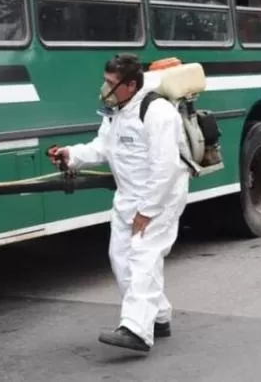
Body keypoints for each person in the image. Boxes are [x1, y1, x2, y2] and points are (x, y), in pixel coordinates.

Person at [49, 53, 189, 353]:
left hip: (160, 197)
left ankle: (136, 330)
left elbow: (166, 168)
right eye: (105, 80)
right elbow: (104, 147)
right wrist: (71, 155)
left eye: (111, 83)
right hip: (128, 195)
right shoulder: (116, 111)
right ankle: (159, 316)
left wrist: (147, 211)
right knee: (120, 259)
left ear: (131, 85)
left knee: (143, 257)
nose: (104, 87)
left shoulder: (158, 113)